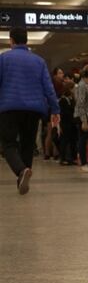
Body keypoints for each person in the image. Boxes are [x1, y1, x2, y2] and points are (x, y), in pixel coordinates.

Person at [0, 26, 60, 195]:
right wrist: (55, 109)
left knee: (9, 144)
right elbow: (48, 88)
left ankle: (21, 171)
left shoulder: (3, 59)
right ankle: (24, 175)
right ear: (26, 40)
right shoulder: (39, 61)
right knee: (27, 144)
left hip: (8, 107)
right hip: (33, 109)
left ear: (11, 40)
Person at [44, 67, 65, 160]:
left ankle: (48, 153)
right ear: (55, 75)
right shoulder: (60, 86)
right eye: (60, 73)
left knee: (51, 131)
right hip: (54, 110)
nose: (62, 75)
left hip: (50, 110)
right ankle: (54, 152)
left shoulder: (52, 85)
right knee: (55, 131)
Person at [58, 74, 78, 166]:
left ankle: (73, 158)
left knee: (73, 141)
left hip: (72, 123)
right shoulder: (63, 100)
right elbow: (64, 113)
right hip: (66, 123)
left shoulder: (72, 99)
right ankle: (63, 158)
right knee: (64, 141)